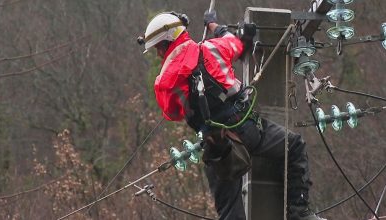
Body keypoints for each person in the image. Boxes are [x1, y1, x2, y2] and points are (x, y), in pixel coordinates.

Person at [138, 10, 327, 220]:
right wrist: (215, 26)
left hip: (218, 148)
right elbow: (236, 44)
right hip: (249, 129)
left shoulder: (164, 81)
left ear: (167, 42)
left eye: (158, 48)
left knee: (230, 212)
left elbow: (172, 113)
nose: (158, 54)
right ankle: (299, 214)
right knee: (294, 145)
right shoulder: (212, 48)